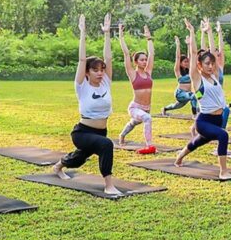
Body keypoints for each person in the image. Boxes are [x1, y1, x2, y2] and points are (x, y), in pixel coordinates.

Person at [52, 14, 122, 196]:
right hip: (82, 132)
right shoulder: (81, 86)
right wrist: (82, 32)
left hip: (100, 131)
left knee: (79, 158)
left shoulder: (106, 81)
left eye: (101, 70)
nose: (100, 73)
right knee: (106, 145)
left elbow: (109, 57)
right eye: (95, 70)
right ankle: (108, 185)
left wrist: (107, 34)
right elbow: (82, 60)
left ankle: (59, 166)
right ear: (87, 72)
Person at [173, 21, 231, 179]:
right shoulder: (197, 79)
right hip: (204, 121)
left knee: (197, 142)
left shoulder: (215, 77)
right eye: (207, 64)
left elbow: (214, 53)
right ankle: (223, 172)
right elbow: (194, 53)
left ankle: (179, 157)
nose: (210, 66)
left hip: (217, 119)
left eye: (212, 64)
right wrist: (193, 33)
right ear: (199, 65)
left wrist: (209, 32)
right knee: (223, 135)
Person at [117, 23, 156, 154]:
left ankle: (122, 135)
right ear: (136, 62)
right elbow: (126, 54)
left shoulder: (148, 72)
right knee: (147, 119)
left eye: (145, 60)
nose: (145, 62)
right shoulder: (133, 74)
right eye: (142, 60)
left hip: (147, 108)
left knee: (134, 123)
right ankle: (149, 146)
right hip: (135, 107)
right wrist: (121, 36)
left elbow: (152, 53)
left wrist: (149, 38)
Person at [161, 36, 199, 117]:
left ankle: (165, 109)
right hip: (180, 93)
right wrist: (178, 45)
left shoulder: (189, 70)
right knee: (193, 96)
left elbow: (191, 56)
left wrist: (189, 44)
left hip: (187, 94)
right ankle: (195, 114)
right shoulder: (178, 71)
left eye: (187, 62)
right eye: (185, 62)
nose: (187, 63)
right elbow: (177, 57)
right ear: (180, 63)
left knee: (177, 106)